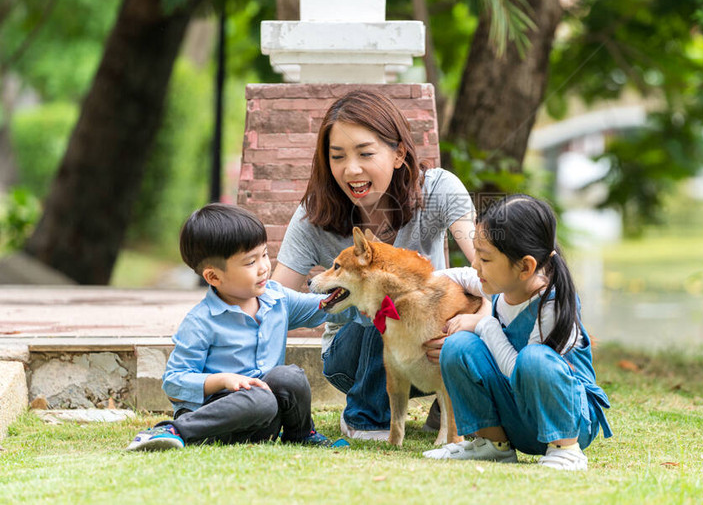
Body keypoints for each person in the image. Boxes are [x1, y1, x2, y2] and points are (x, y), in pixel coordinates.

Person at [270, 90, 476, 441]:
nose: (351, 169)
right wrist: (341, 307)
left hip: (432, 351)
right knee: (376, 291)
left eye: (365, 153)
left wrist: (474, 321)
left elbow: (490, 270)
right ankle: (366, 419)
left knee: (458, 306)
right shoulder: (312, 217)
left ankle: (457, 398)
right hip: (351, 358)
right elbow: (274, 303)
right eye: (337, 157)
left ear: (398, 153)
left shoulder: (439, 189)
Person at [126, 203, 356, 451]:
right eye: (250, 262)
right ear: (214, 277)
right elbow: (175, 381)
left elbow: (323, 307)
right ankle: (173, 430)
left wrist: (372, 305)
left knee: (289, 376)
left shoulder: (277, 299)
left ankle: (300, 434)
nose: (264, 267)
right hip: (216, 415)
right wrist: (223, 380)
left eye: (265, 255)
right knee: (262, 400)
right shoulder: (201, 321)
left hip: (262, 418)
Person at [423, 194, 612, 471]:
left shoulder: (552, 305)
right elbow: (460, 275)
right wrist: (409, 285)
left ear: (525, 267)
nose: (476, 265)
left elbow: (520, 371)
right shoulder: (501, 284)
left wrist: (484, 324)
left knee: (534, 358)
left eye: (485, 259)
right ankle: (492, 445)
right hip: (519, 417)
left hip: (569, 419)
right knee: (458, 346)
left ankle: (566, 452)